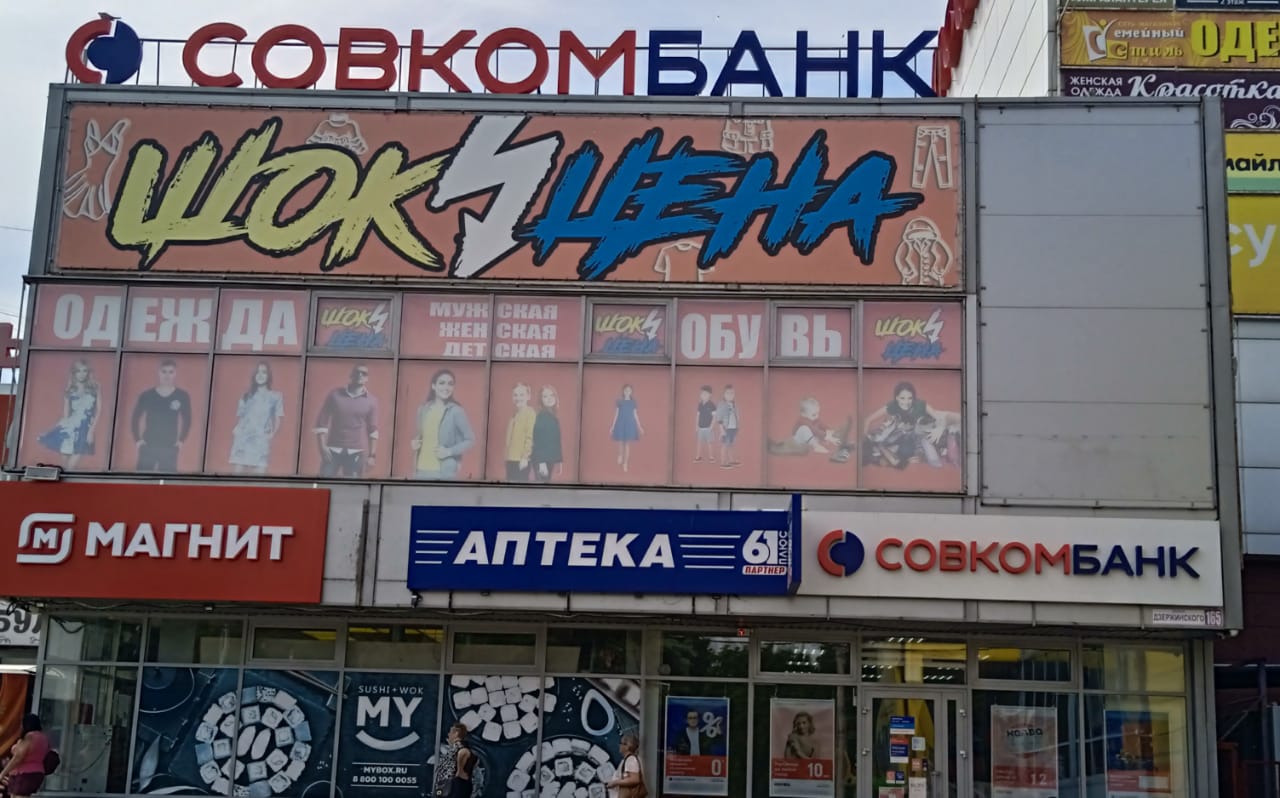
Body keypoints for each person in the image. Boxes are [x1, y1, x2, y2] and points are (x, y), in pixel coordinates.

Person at [862, 381, 961, 470]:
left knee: (958, 420)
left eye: (910, 398)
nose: (906, 402)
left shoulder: (920, 405)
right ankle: (947, 446)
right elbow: (868, 420)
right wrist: (864, 441)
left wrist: (940, 428)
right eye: (902, 398)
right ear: (897, 398)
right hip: (922, 433)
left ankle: (952, 434)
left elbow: (939, 418)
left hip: (936, 421)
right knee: (933, 459)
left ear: (913, 398)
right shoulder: (892, 406)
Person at [314, 363, 379, 477]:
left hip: (356, 452)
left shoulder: (371, 401)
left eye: (364, 373)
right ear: (351, 375)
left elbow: (372, 430)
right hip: (333, 450)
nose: (360, 375)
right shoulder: (335, 395)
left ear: (367, 378)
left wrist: (372, 456)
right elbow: (321, 423)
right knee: (323, 483)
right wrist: (322, 447)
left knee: (352, 486)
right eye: (357, 372)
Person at [411, 369, 475, 480]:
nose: (446, 387)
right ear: (433, 386)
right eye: (442, 383)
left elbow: (470, 440)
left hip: (444, 473)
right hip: (420, 470)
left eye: (450, 384)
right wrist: (414, 443)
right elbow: (420, 436)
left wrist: (449, 451)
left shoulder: (456, 411)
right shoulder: (423, 409)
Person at [131, 358, 192, 472]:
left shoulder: (182, 396)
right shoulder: (147, 395)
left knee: (167, 480)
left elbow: (187, 420)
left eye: (171, 372)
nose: (167, 375)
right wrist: (138, 440)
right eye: (164, 371)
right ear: (159, 373)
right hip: (148, 444)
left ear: (175, 374)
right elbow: (135, 418)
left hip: (170, 446)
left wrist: (181, 441)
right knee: (143, 479)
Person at [37, 359, 100, 469]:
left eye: (84, 371)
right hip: (69, 427)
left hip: (85, 428)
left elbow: (99, 410)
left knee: (71, 465)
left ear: (88, 372)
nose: (81, 374)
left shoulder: (95, 387)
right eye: (78, 371)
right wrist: (57, 428)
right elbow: (66, 414)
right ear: (74, 373)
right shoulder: (70, 389)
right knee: (65, 466)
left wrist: (91, 431)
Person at [229, 361, 284, 474]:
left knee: (258, 479)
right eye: (258, 372)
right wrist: (237, 431)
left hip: (260, 442)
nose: (260, 375)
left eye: (264, 372)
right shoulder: (246, 396)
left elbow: (278, 418)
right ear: (254, 375)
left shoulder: (275, 396)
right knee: (236, 478)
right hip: (243, 441)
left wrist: (271, 435)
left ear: (268, 375)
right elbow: (241, 418)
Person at [768, 397, 854, 463]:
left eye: (817, 413)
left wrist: (829, 431)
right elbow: (814, 430)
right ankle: (816, 446)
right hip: (799, 443)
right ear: (803, 414)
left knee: (822, 429)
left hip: (810, 440)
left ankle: (837, 434)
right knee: (804, 429)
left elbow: (822, 425)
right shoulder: (802, 420)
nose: (816, 416)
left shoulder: (814, 418)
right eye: (814, 414)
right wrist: (826, 437)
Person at [0, 713, 50, 798]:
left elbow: (18, 757)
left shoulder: (29, 737)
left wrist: (3, 773)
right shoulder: (44, 738)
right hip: (37, 773)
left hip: (23, 774)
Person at [531, 385, 563, 483]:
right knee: (541, 487)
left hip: (550, 459)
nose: (549, 398)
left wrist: (559, 461)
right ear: (541, 400)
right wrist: (541, 462)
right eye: (545, 396)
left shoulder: (552, 417)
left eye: (551, 395)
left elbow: (555, 441)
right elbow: (537, 440)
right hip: (542, 460)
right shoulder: (541, 417)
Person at [504, 383, 536, 481]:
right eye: (515, 395)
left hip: (521, 460)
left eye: (522, 395)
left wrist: (525, 457)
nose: (518, 398)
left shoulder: (530, 413)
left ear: (528, 396)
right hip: (510, 459)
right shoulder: (514, 415)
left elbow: (531, 437)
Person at [610, 384, 643, 473]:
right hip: (620, 423)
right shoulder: (619, 402)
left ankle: (625, 463)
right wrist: (612, 426)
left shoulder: (633, 403)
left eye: (629, 390)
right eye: (626, 390)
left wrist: (640, 427)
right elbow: (616, 414)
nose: (627, 392)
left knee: (627, 444)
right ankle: (620, 455)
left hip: (629, 424)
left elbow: (635, 415)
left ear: (631, 392)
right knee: (621, 442)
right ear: (623, 391)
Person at [606, 734, 643, 798]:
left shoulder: (631, 760)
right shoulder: (627, 760)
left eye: (621, 743)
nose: (619, 745)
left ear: (627, 746)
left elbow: (634, 779)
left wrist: (614, 783)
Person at [446, 724, 476, 798]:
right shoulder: (463, 749)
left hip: (459, 787)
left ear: (456, 733)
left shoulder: (462, 750)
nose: (448, 734)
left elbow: (460, 773)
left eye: (450, 732)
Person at [714, 384, 740, 469]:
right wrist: (721, 430)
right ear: (724, 394)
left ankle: (731, 460)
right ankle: (723, 462)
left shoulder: (734, 404)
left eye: (732, 393)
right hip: (726, 428)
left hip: (733, 428)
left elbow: (736, 415)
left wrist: (737, 427)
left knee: (731, 444)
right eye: (728, 393)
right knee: (725, 445)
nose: (730, 395)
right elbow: (719, 418)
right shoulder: (722, 404)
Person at [694, 385, 716, 463]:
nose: (703, 395)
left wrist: (711, 426)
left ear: (710, 395)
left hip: (708, 428)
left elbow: (714, 417)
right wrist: (696, 426)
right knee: (699, 442)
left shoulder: (712, 405)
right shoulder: (700, 404)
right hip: (701, 427)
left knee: (709, 443)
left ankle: (711, 457)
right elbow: (698, 415)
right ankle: (698, 457)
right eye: (702, 393)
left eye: (705, 394)